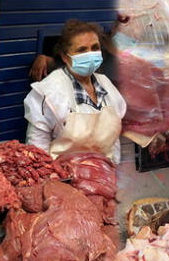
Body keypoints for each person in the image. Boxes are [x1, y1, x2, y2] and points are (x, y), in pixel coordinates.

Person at [24, 19, 126, 163]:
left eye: (95, 47)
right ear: (65, 57)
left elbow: (113, 142)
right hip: (63, 177)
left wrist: (113, 169)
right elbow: (37, 148)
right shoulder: (48, 92)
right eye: (82, 50)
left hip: (103, 175)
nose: (90, 54)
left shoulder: (107, 85)